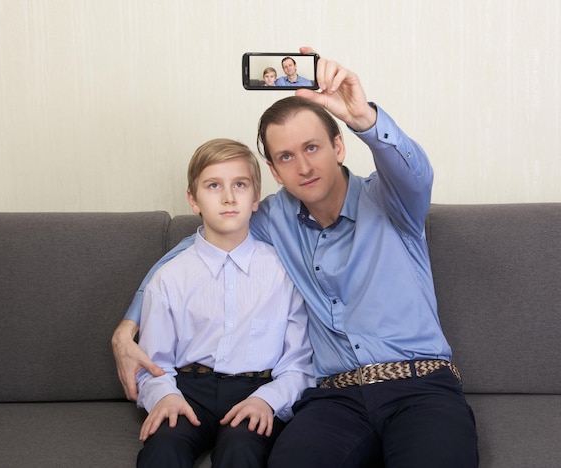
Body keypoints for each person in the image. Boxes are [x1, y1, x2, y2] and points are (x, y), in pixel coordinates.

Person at [113, 47, 479, 467]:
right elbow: (199, 249)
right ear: (273, 171)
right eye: (286, 156)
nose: (303, 166)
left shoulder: (393, 199)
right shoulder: (272, 219)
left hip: (420, 386)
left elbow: (417, 175)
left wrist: (365, 118)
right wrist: (128, 326)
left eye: (312, 147)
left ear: (339, 146)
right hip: (334, 399)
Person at [134, 138, 314, 468]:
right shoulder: (170, 277)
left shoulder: (283, 274)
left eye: (240, 185)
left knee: (242, 450)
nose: (229, 197)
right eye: (214, 185)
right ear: (193, 199)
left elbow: (299, 364)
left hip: (257, 389)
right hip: (188, 390)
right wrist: (165, 395)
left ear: (256, 198)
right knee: (163, 451)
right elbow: (153, 364)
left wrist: (267, 400)